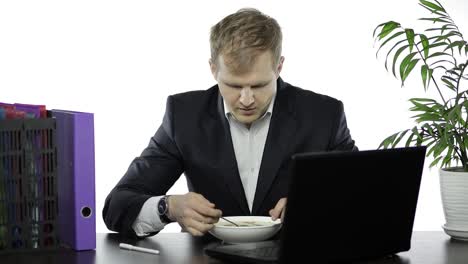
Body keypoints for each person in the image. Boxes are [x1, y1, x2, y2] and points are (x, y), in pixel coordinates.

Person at [102, 8, 357, 238]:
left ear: (279, 67)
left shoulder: (324, 115)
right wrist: (168, 207)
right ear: (213, 69)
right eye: (234, 85)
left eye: (258, 85)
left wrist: (318, 206)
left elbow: (364, 199)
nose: (246, 100)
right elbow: (117, 206)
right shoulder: (184, 116)